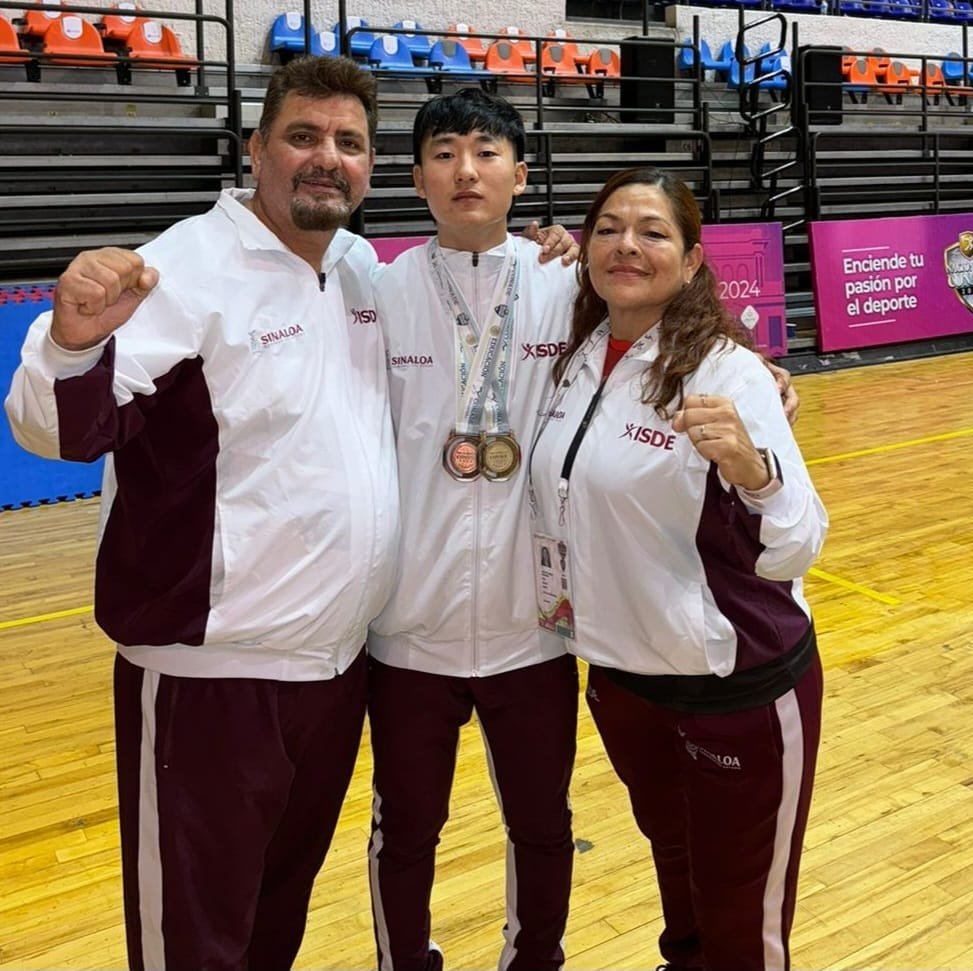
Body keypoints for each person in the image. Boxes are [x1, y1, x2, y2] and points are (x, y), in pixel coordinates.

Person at [4, 56, 399, 971]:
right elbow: (53, 429)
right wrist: (69, 343)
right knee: (193, 945)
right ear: (255, 149)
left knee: (273, 924)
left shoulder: (359, 269)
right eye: (303, 136)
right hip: (208, 684)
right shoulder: (181, 269)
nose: (327, 157)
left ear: (371, 165)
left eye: (348, 142)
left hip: (336, 672)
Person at [527, 167, 827, 971]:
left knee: (742, 916)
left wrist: (758, 474)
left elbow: (800, 540)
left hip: (735, 686)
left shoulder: (728, 373)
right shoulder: (578, 354)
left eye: (653, 232)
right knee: (679, 872)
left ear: (692, 259)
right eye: (608, 228)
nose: (627, 245)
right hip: (624, 681)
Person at [366, 88, 580, 971]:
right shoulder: (378, 292)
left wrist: (764, 379)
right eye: (444, 152)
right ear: (417, 178)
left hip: (533, 625)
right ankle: (403, 961)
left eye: (487, 152)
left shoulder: (569, 285)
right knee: (406, 826)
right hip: (408, 625)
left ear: (520, 176)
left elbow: (667, 333)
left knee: (543, 822)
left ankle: (534, 961)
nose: (466, 169)